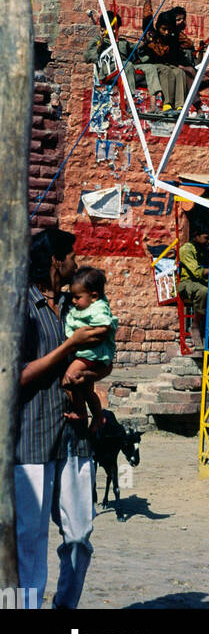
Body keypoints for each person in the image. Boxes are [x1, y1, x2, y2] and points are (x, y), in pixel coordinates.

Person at [15, 228, 105, 609]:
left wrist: (91, 376)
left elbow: (103, 357)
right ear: (55, 260)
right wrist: (69, 346)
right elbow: (15, 376)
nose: (76, 262)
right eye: (71, 255)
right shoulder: (22, 307)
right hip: (32, 436)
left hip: (74, 434)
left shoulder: (78, 305)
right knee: (30, 541)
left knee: (80, 535)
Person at [61, 266, 117, 427]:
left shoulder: (98, 308)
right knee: (86, 389)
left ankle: (80, 412)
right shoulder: (85, 305)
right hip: (87, 354)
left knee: (69, 379)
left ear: (93, 296)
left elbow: (104, 327)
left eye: (77, 297)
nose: (73, 301)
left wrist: (84, 336)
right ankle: (99, 416)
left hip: (91, 354)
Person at [84, 11, 136, 95]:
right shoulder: (98, 40)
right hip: (107, 70)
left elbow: (135, 48)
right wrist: (99, 47)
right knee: (128, 65)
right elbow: (87, 57)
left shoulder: (121, 41)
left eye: (117, 28)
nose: (115, 31)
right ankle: (130, 97)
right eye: (113, 28)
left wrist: (146, 41)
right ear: (103, 29)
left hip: (122, 67)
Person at [177, 223, 209, 317]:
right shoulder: (186, 250)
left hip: (201, 282)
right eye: (206, 238)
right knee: (203, 291)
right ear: (196, 235)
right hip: (186, 283)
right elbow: (198, 273)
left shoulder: (204, 250)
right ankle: (197, 323)